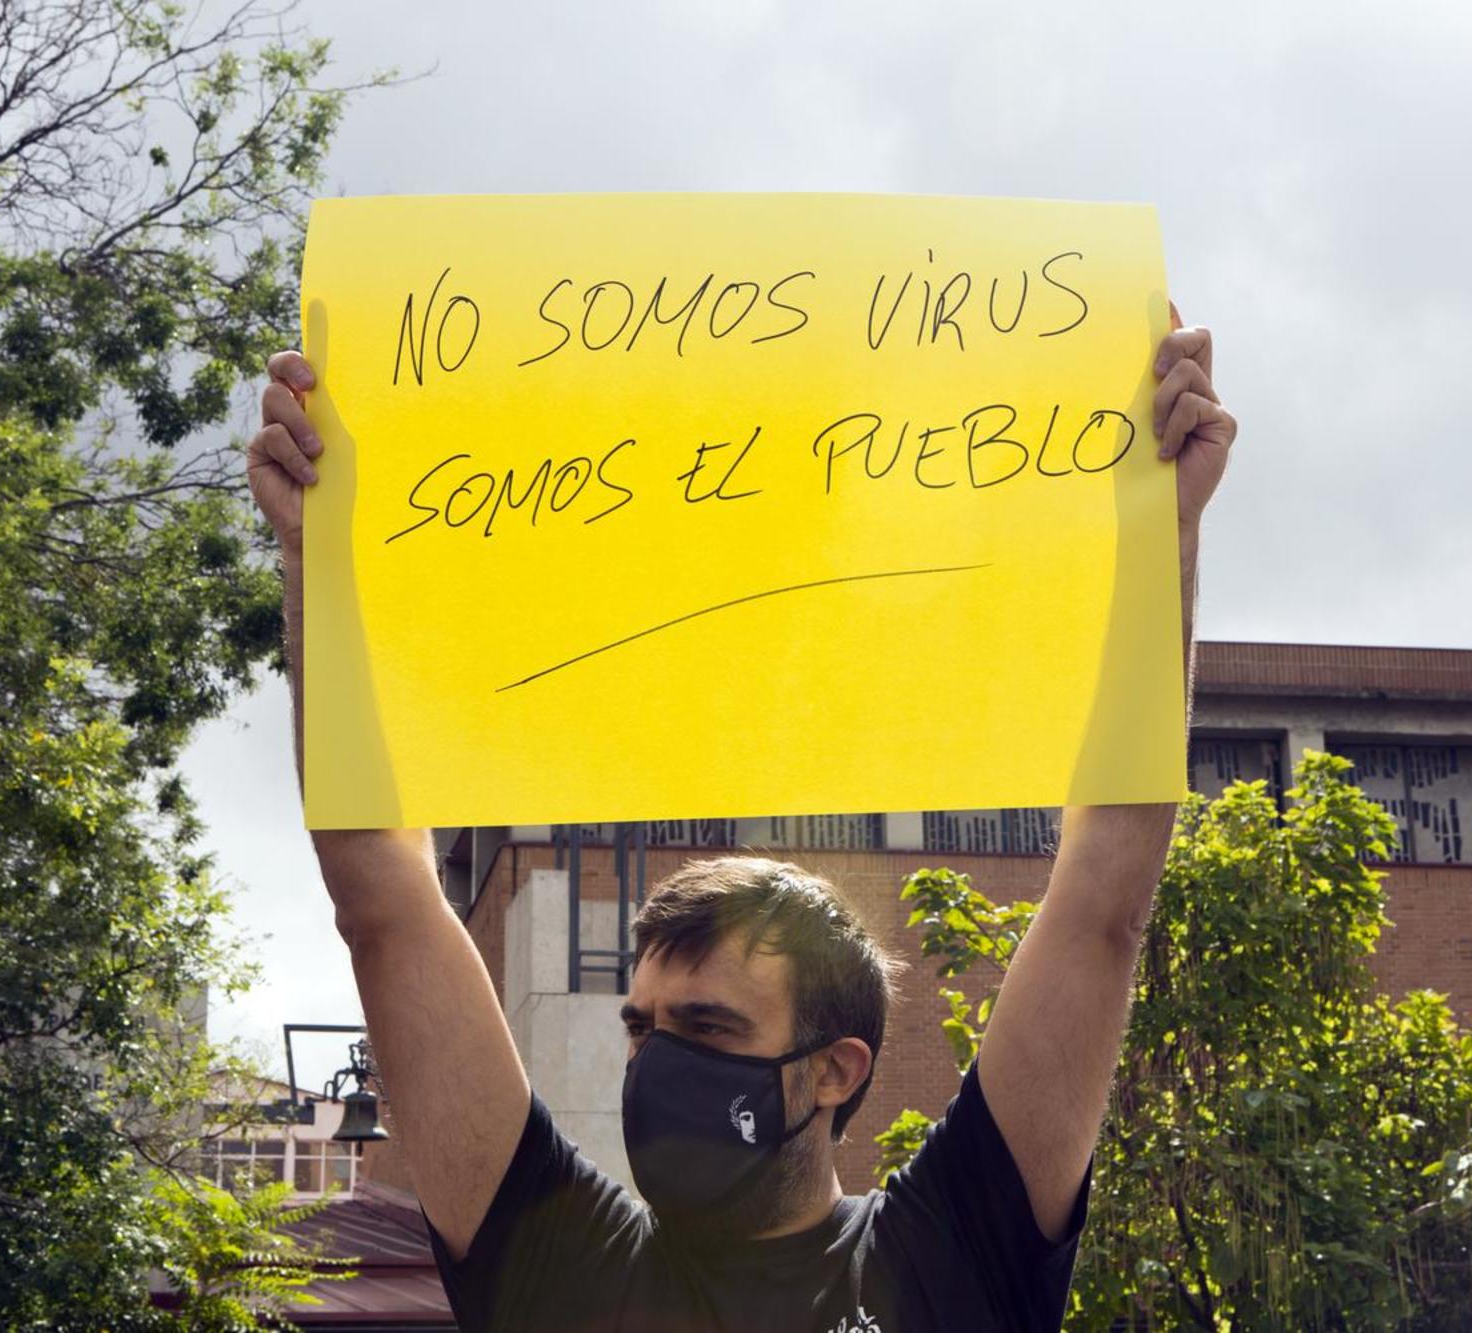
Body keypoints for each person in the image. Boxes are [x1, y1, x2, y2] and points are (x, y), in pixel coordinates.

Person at [245, 306, 1237, 1332]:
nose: (656, 1063)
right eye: (643, 1029)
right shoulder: (561, 1268)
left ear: (832, 1070)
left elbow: (1100, 902)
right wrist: (324, 561)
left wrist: (1158, 530)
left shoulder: (952, 1250)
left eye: (707, 1026)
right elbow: (385, 899)